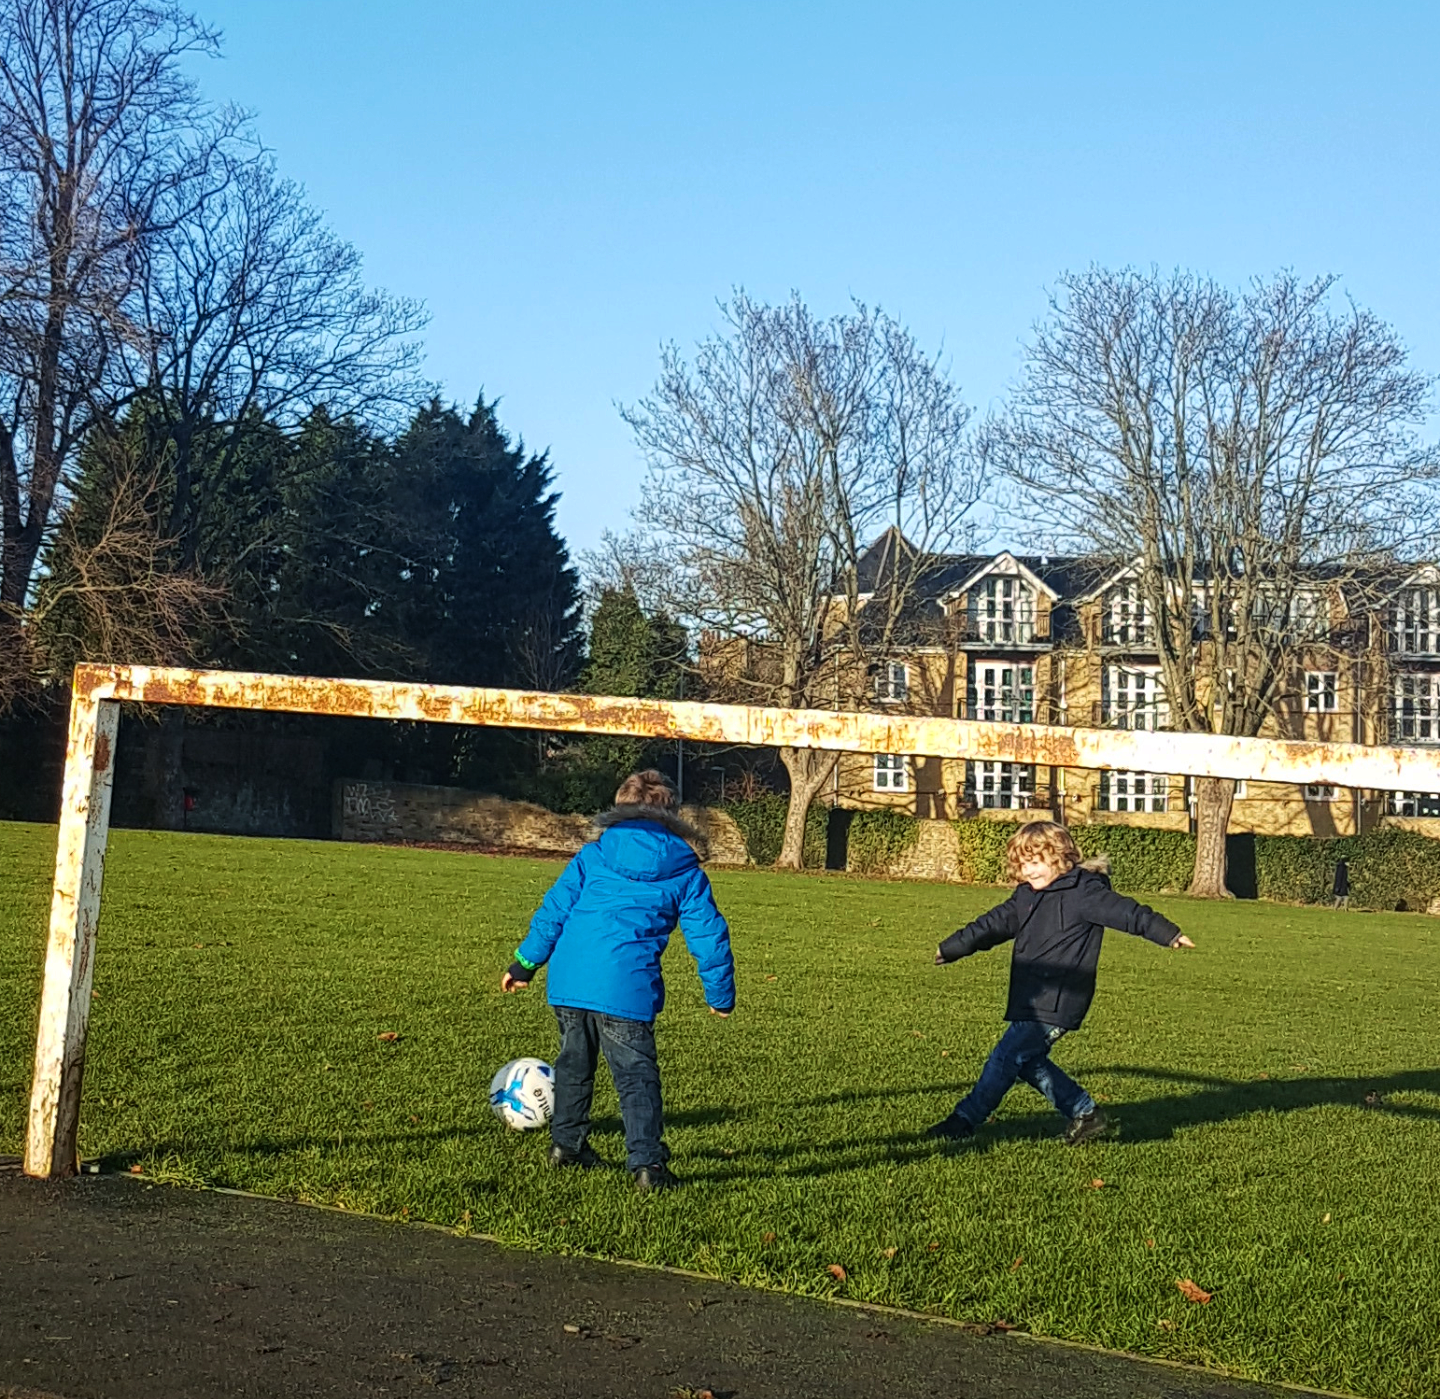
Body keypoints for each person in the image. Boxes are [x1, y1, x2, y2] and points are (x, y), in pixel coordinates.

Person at [502, 770, 734, 1191]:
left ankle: (566, 1146)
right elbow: (708, 937)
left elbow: (554, 911)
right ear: (673, 814)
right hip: (626, 989)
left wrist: (524, 965)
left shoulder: (593, 855)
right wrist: (720, 995)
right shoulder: (685, 871)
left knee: (573, 1066)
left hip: (569, 981)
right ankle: (648, 1166)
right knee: (636, 1078)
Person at [928, 820, 1194, 1146]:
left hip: (1061, 997)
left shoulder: (1084, 893)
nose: (1028, 870)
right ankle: (1085, 1113)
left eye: (1035, 862)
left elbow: (1128, 913)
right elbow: (992, 925)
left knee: (1006, 1057)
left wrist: (1168, 933)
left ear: (1060, 857)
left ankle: (964, 1120)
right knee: (1027, 1061)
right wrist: (953, 948)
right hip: (1031, 996)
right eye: (1022, 864)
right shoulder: (1026, 896)